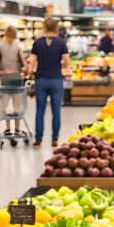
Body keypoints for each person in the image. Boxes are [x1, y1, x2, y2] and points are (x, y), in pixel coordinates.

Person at [26, 16, 71, 146]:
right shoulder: (61, 44)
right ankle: (55, 139)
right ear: (56, 28)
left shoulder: (37, 43)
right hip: (56, 80)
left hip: (41, 80)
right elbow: (67, 63)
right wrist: (62, 65)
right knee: (56, 110)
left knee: (40, 110)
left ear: (44, 27)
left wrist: (27, 72)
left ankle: (38, 139)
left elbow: (32, 62)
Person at [0, 26, 26, 134]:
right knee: (11, 106)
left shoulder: (4, 44)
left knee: (11, 106)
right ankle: (12, 129)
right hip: (11, 77)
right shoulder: (9, 45)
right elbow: (22, 60)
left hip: (11, 77)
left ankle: (12, 129)